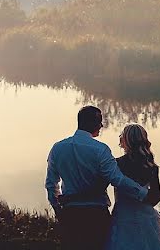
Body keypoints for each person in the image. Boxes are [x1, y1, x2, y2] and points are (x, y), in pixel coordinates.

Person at [46, 106, 150, 250]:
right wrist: (143, 193)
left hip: (70, 214)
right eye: (99, 121)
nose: (101, 125)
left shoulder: (58, 148)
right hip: (96, 214)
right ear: (92, 123)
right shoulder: (100, 149)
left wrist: (58, 210)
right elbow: (117, 179)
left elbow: (51, 185)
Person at [104, 123, 160, 250]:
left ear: (125, 140)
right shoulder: (151, 166)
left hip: (123, 218)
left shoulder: (117, 164)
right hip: (146, 217)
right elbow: (156, 198)